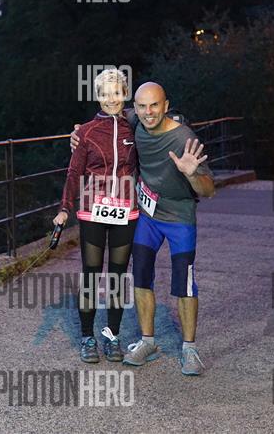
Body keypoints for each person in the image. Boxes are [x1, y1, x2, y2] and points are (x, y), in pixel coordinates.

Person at [70, 81, 215, 376]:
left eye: (155, 105)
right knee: (141, 277)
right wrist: (78, 134)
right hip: (147, 216)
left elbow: (209, 190)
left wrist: (192, 175)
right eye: (142, 106)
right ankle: (147, 342)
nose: (148, 112)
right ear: (135, 108)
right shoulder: (133, 121)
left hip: (179, 216)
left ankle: (189, 349)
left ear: (166, 106)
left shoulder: (184, 138)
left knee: (184, 283)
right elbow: (108, 114)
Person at [53, 68, 139, 363]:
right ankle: (87, 337)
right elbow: (73, 172)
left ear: (124, 94)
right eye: (104, 93)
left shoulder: (135, 128)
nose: (111, 99)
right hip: (92, 211)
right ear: (97, 96)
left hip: (126, 211)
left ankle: (112, 337)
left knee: (117, 276)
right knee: (91, 274)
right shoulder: (86, 132)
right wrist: (65, 208)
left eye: (116, 93)